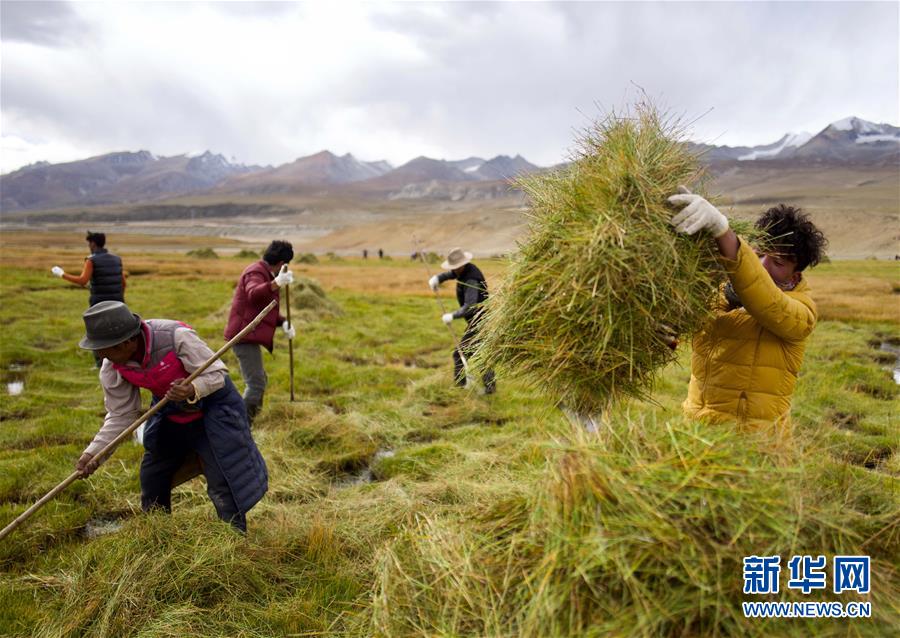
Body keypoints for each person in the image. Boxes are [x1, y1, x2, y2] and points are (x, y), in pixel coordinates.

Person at [74, 301, 268, 532]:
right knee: (152, 477)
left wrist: (192, 388)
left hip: (214, 408)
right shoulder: (112, 366)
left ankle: (234, 538)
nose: (100, 356)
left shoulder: (175, 337)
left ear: (126, 342)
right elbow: (121, 415)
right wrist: (95, 453)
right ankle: (158, 535)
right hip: (171, 411)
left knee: (223, 479)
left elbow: (217, 375)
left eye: (104, 349)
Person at [667, 188, 827, 441]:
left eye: (777, 262)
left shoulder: (801, 313)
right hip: (696, 435)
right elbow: (682, 333)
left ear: (794, 276)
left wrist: (722, 230)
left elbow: (766, 300)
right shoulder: (721, 293)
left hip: (753, 446)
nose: (762, 264)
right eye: (760, 252)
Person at [225, 240, 295, 424]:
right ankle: (240, 424)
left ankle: (253, 419)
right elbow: (254, 294)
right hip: (242, 336)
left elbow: (264, 307)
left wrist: (284, 322)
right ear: (281, 264)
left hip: (248, 335)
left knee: (259, 379)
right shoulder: (256, 272)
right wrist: (276, 283)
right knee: (255, 384)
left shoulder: (263, 272)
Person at [428, 247, 496, 394]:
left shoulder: (471, 279)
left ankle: (460, 388)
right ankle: (490, 389)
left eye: (456, 267)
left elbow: (470, 306)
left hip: (480, 321)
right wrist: (438, 278)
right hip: (480, 320)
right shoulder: (464, 270)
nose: (454, 270)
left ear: (462, 264)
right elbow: (451, 274)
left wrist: (452, 315)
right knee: (482, 354)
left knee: (459, 354)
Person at [51, 231, 126, 306]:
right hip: (118, 303)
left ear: (93, 244)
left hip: (99, 304)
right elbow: (123, 283)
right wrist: (118, 298)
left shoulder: (91, 260)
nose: (89, 246)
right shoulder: (117, 259)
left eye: (89, 243)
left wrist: (62, 274)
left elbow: (82, 281)